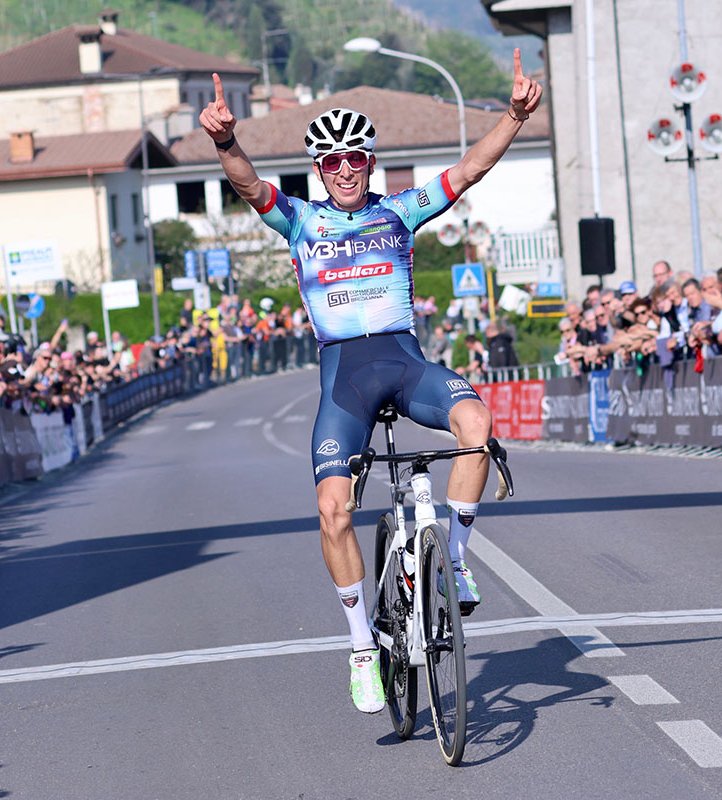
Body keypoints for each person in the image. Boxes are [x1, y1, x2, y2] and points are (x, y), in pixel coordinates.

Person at [199, 50, 542, 714]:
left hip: (406, 366)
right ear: (319, 171)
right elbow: (247, 186)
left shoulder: (401, 212)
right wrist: (226, 141)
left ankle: (458, 560)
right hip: (344, 384)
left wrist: (513, 118)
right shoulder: (300, 221)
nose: (346, 170)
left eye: (356, 158)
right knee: (333, 511)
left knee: (478, 423)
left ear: (372, 163)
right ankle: (362, 646)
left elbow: (469, 170)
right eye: (332, 162)